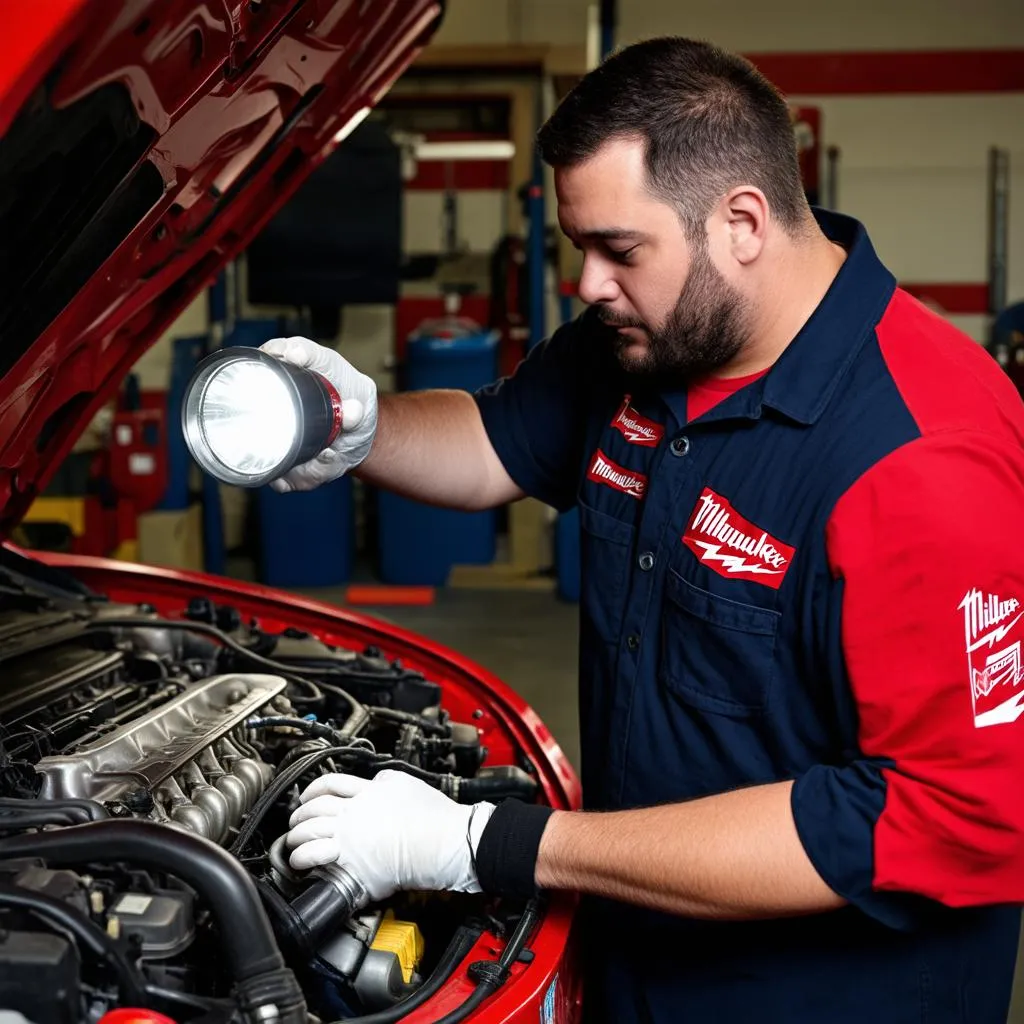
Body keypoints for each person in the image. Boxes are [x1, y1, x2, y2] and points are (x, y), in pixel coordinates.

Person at [265, 37, 1024, 1024]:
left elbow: (939, 817)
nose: (587, 284)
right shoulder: (654, 331)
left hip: (821, 997)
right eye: (582, 248)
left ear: (741, 222)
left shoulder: (920, 454)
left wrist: (486, 844)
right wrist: (358, 424)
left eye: (618, 250)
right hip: (641, 955)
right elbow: (497, 440)